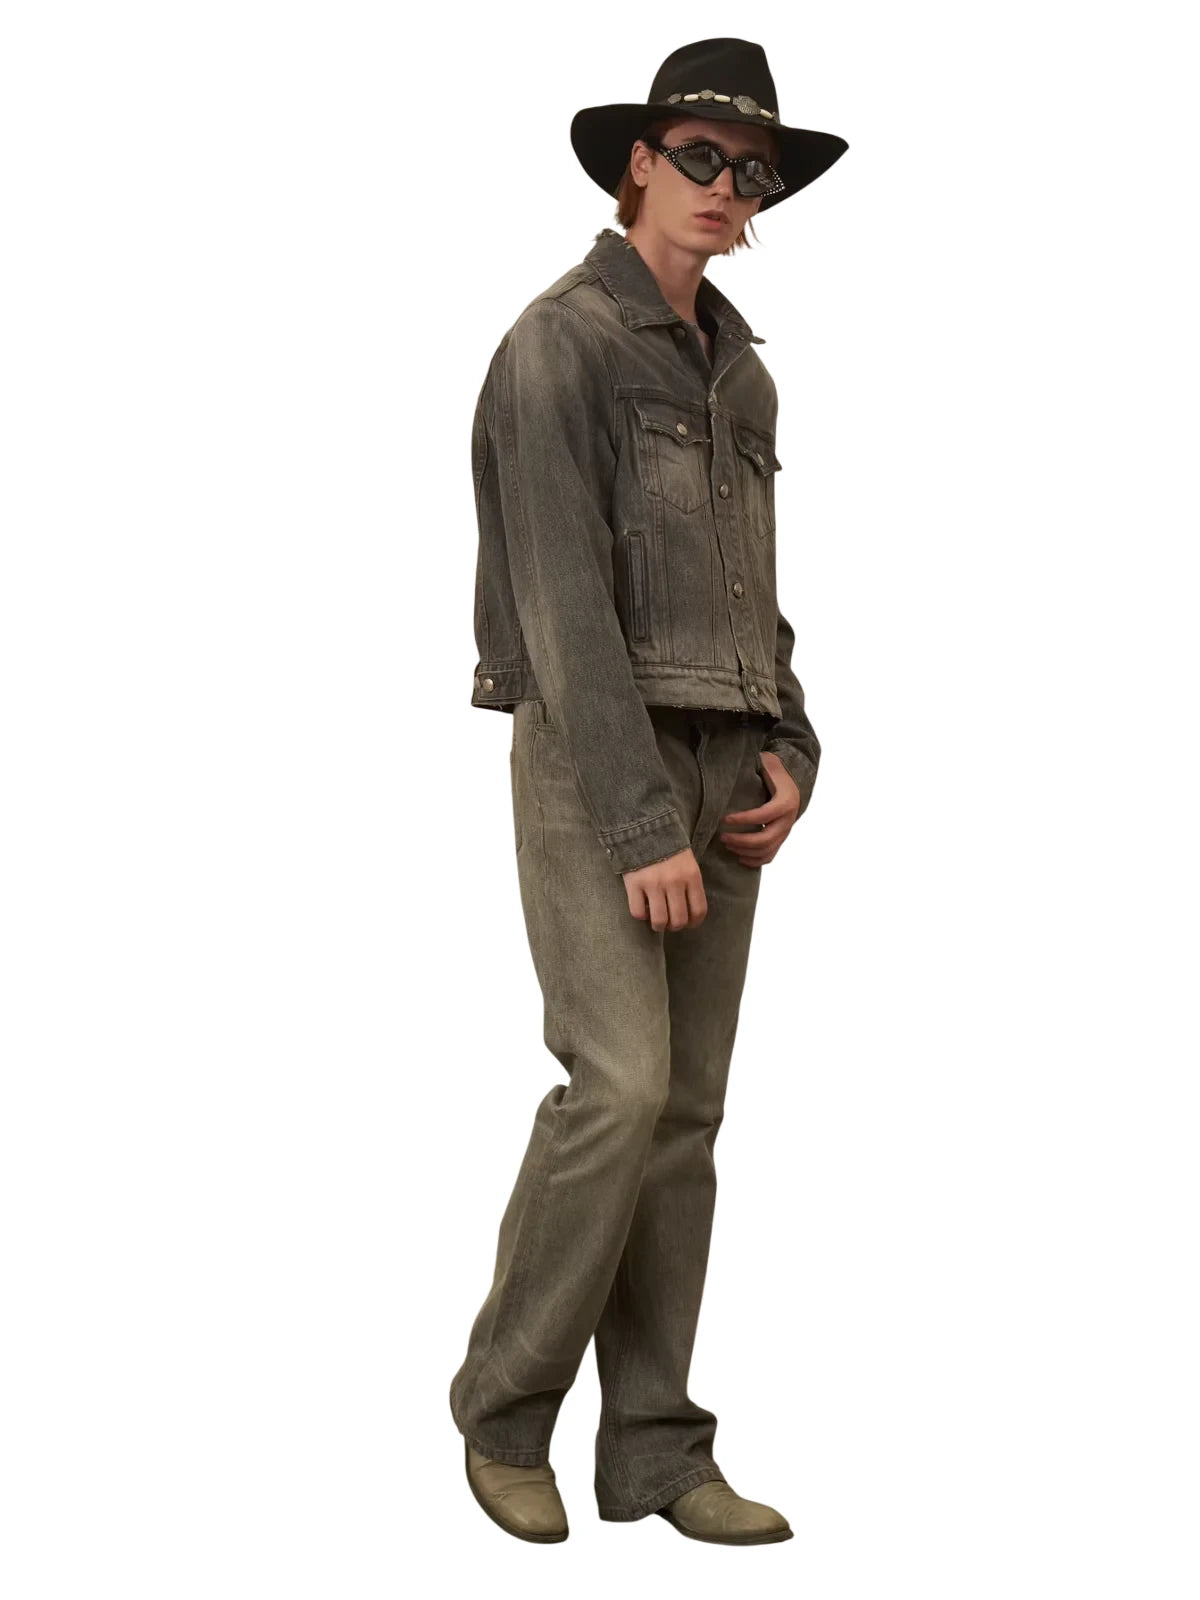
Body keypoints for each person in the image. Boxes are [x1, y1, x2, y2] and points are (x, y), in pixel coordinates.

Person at [448, 37, 848, 1545]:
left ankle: (656, 1450)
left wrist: (794, 748)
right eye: (699, 156)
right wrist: (635, 819)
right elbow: (560, 607)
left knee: (684, 1116)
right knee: (616, 1091)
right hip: (593, 752)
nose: (727, 188)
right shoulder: (557, 346)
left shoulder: (742, 376)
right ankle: (504, 1410)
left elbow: (754, 595)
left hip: (728, 766)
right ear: (636, 163)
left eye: (753, 173)